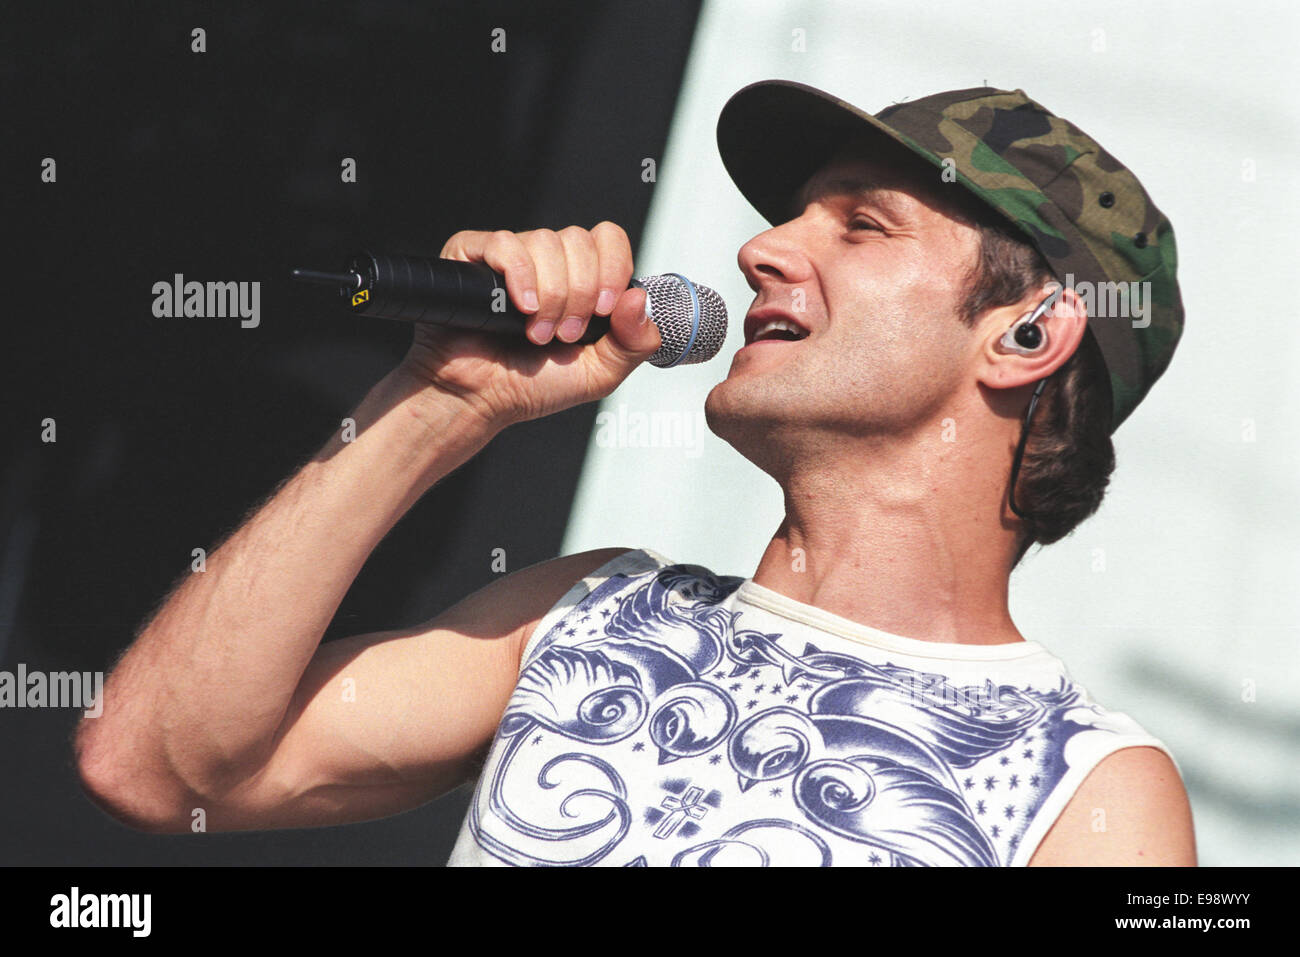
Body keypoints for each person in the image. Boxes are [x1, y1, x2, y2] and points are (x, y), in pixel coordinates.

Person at [74, 80, 1195, 866]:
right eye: (787, 215)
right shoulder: (586, 611)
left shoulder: (1082, 787)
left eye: (861, 225)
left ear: (1028, 335)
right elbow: (156, 766)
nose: (763, 249)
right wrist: (440, 403)